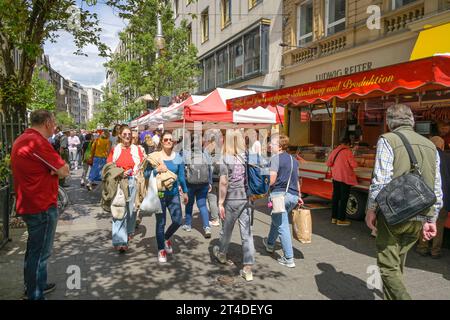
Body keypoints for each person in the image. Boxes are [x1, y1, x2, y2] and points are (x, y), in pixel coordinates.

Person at [365, 104, 442, 300]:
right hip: (420, 213)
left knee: (387, 266)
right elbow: (436, 187)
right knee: (397, 263)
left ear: (389, 123)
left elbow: (380, 180)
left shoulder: (388, 139)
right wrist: (432, 218)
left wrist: (371, 209)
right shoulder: (431, 145)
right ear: (412, 121)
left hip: (394, 213)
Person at [11, 110, 70, 300]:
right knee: (40, 255)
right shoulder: (36, 142)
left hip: (31, 203)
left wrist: (53, 171)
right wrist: (54, 172)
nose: (55, 126)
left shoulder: (23, 138)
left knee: (34, 251)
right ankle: (35, 294)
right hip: (41, 205)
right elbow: (63, 170)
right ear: (46, 122)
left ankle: (36, 286)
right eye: (53, 122)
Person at [212, 129, 255, 281]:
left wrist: (220, 202)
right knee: (247, 234)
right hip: (245, 199)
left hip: (231, 200)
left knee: (226, 230)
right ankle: (248, 268)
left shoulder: (225, 158)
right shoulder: (247, 157)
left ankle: (222, 254)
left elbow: (223, 182)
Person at [263, 133, 301, 268]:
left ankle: (289, 258)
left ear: (279, 146)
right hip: (293, 196)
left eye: (272, 143)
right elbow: (297, 181)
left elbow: (272, 179)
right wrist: (300, 196)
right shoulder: (294, 160)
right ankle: (270, 244)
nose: (269, 145)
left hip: (279, 196)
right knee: (278, 220)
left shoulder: (275, 159)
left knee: (282, 225)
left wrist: (263, 187)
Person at [151, 131, 189, 263]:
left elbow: (182, 176)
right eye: (166, 139)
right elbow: (145, 174)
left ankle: (166, 237)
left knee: (178, 221)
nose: (168, 142)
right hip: (159, 194)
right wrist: (156, 170)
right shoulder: (156, 156)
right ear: (161, 141)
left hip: (173, 195)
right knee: (160, 223)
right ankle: (161, 249)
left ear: (173, 142)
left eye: (170, 140)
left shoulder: (178, 157)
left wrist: (185, 191)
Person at [107, 125, 144, 252]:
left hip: (133, 181)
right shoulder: (115, 149)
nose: (127, 136)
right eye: (124, 134)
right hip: (119, 182)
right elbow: (109, 166)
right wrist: (120, 172)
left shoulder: (136, 149)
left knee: (131, 210)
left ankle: (129, 231)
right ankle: (120, 240)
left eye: (129, 134)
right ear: (120, 135)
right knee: (119, 209)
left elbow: (142, 163)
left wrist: (139, 170)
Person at [416, 136, 450, 259]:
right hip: (444, 197)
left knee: (425, 221)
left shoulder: (424, 157)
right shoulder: (448, 158)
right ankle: (435, 251)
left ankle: (422, 247)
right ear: (442, 146)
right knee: (439, 225)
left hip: (426, 197)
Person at [182, 134, 213, 238]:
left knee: (189, 204)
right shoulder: (205, 152)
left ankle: (188, 224)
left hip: (190, 183)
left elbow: (183, 169)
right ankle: (207, 226)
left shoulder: (186, 153)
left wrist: (181, 185)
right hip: (203, 183)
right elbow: (210, 168)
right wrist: (210, 182)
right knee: (203, 205)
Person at [326, 136, 358, 226]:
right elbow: (354, 165)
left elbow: (328, 163)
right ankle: (341, 219)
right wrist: (357, 163)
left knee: (336, 197)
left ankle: (334, 218)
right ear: (348, 144)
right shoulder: (348, 152)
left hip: (335, 177)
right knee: (344, 199)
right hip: (345, 178)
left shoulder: (335, 150)